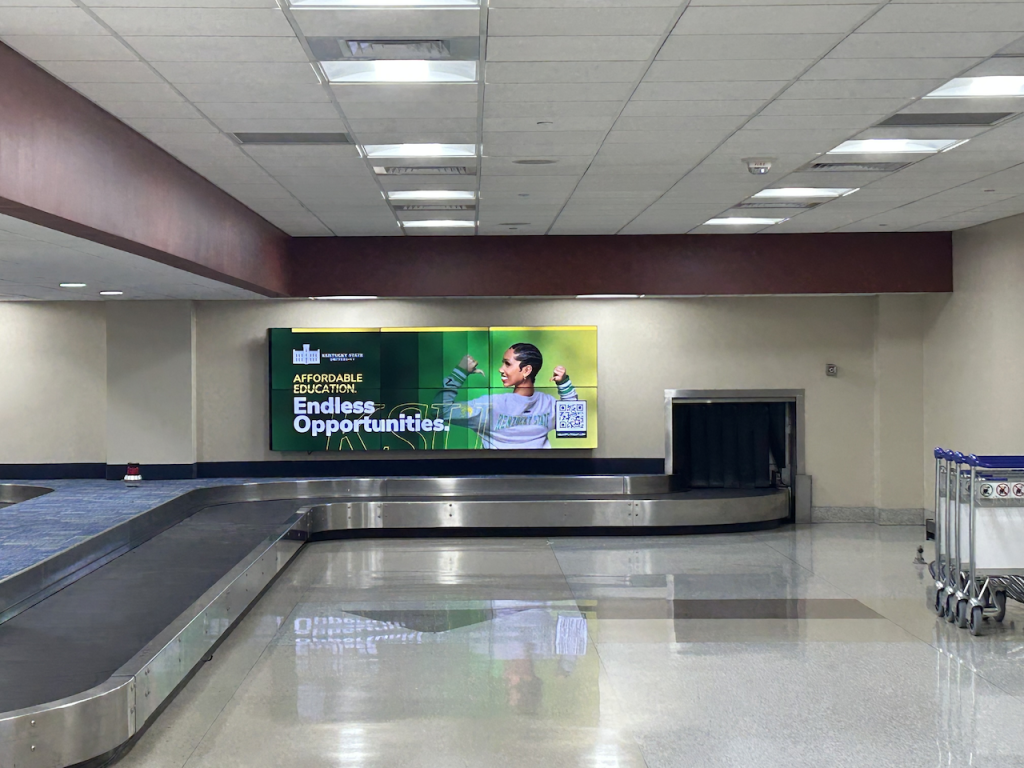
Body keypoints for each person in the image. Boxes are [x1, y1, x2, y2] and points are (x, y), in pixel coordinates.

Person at [436, 342, 577, 449]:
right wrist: (564, 384)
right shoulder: (548, 404)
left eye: (507, 364)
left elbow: (440, 410)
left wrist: (459, 373)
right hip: (540, 478)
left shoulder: (489, 406)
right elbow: (574, 426)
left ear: (527, 370)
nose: (501, 369)